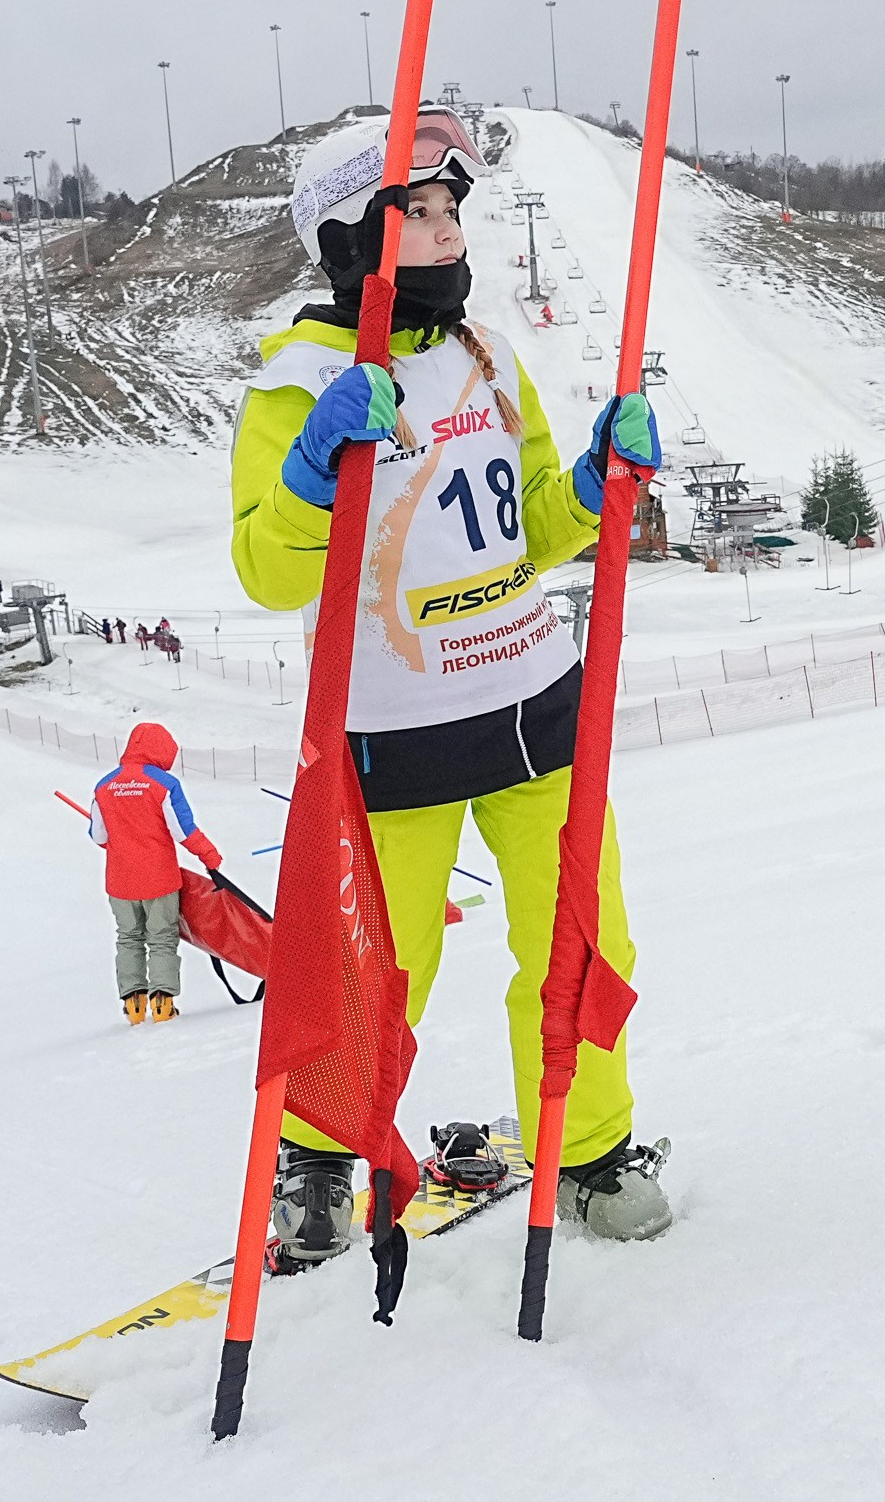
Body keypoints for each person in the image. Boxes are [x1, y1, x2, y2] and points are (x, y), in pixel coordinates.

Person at [228, 106, 671, 1264]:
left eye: (446, 210)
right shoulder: (301, 383)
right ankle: (322, 1163)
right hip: (397, 733)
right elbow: (268, 572)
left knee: (581, 938)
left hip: (534, 705)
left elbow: (527, 534)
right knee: (376, 966)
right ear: (347, 243)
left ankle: (587, 1147)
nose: (442, 230)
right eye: (412, 213)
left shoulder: (487, 355)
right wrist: (318, 470)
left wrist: (593, 479)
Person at [87, 722, 223, 1025]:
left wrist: (121, 838)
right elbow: (184, 831)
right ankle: (162, 1002)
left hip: (119, 881)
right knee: (161, 938)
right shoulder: (164, 784)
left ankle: (134, 1004)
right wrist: (211, 857)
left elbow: (98, 836)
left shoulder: (104, 786)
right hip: (159, 879)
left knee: (129, 937)